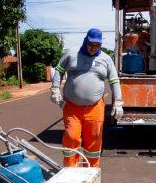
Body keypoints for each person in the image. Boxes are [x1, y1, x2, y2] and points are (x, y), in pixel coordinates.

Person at [50, 28, 123, 167]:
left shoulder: (106, 59)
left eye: (97, 45)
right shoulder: (71, 54)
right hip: (72, 107)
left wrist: (118, 102)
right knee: (71, 137)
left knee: (94, 140)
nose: (93, 48)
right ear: (85, 41)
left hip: (95, 107)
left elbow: (114, 81)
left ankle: (91, 171)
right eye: (91, 44)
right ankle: (70, 170)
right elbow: (59, 70)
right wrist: (55, 89)